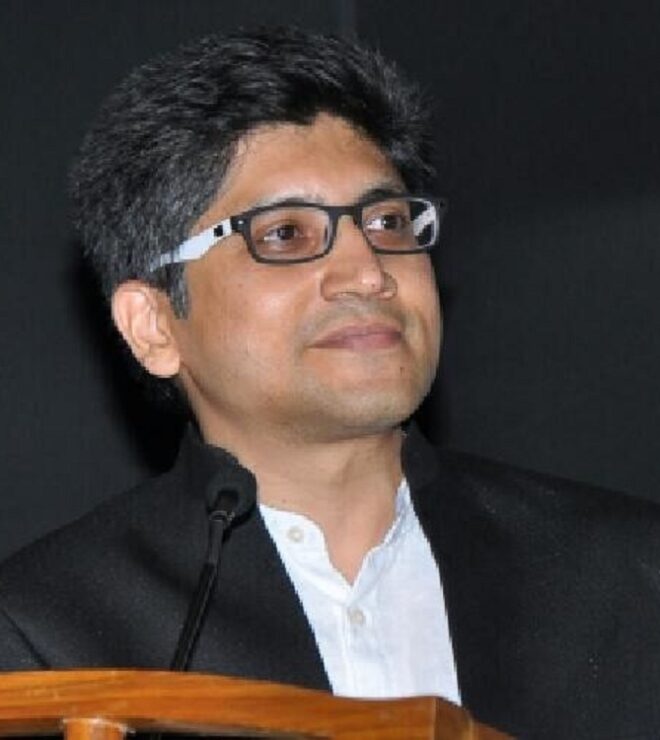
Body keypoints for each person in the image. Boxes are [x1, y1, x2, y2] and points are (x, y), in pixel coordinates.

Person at [1, 27, 659, 739]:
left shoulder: (627, 574)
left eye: (387, 221)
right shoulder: (48, 631)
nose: (368, 272)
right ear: (154, 325)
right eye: (285, 233)